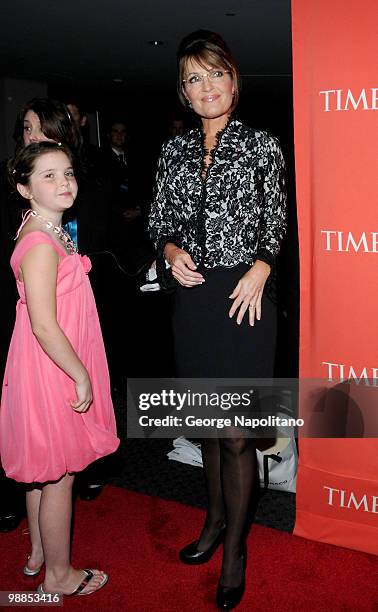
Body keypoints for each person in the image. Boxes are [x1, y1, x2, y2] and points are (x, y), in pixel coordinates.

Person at [149, 30, 287, 610]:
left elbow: (276, 220)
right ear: (184, 91)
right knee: (206, 427)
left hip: (245, 299)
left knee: (235, 437)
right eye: (194, 78)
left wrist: (262, 266)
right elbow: (161, 220)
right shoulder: (173, 151)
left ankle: (235, 548)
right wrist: (171, 251)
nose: (207, 87)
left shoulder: (262, 145)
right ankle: (211, 522)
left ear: (234, 78)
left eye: (216, 74)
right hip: (195, 303)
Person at [0, 141, 119, 595]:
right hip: (54, 365)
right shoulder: (39, 243)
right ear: (24, 187)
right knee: (61, 474)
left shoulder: (47, 226)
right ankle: (59, 576)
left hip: (52, 360)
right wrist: (81, 373)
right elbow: (45, 326)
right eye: (47, 176)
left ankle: (38, 555)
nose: (63, 182)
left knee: (42, 469)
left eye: (67, 172)